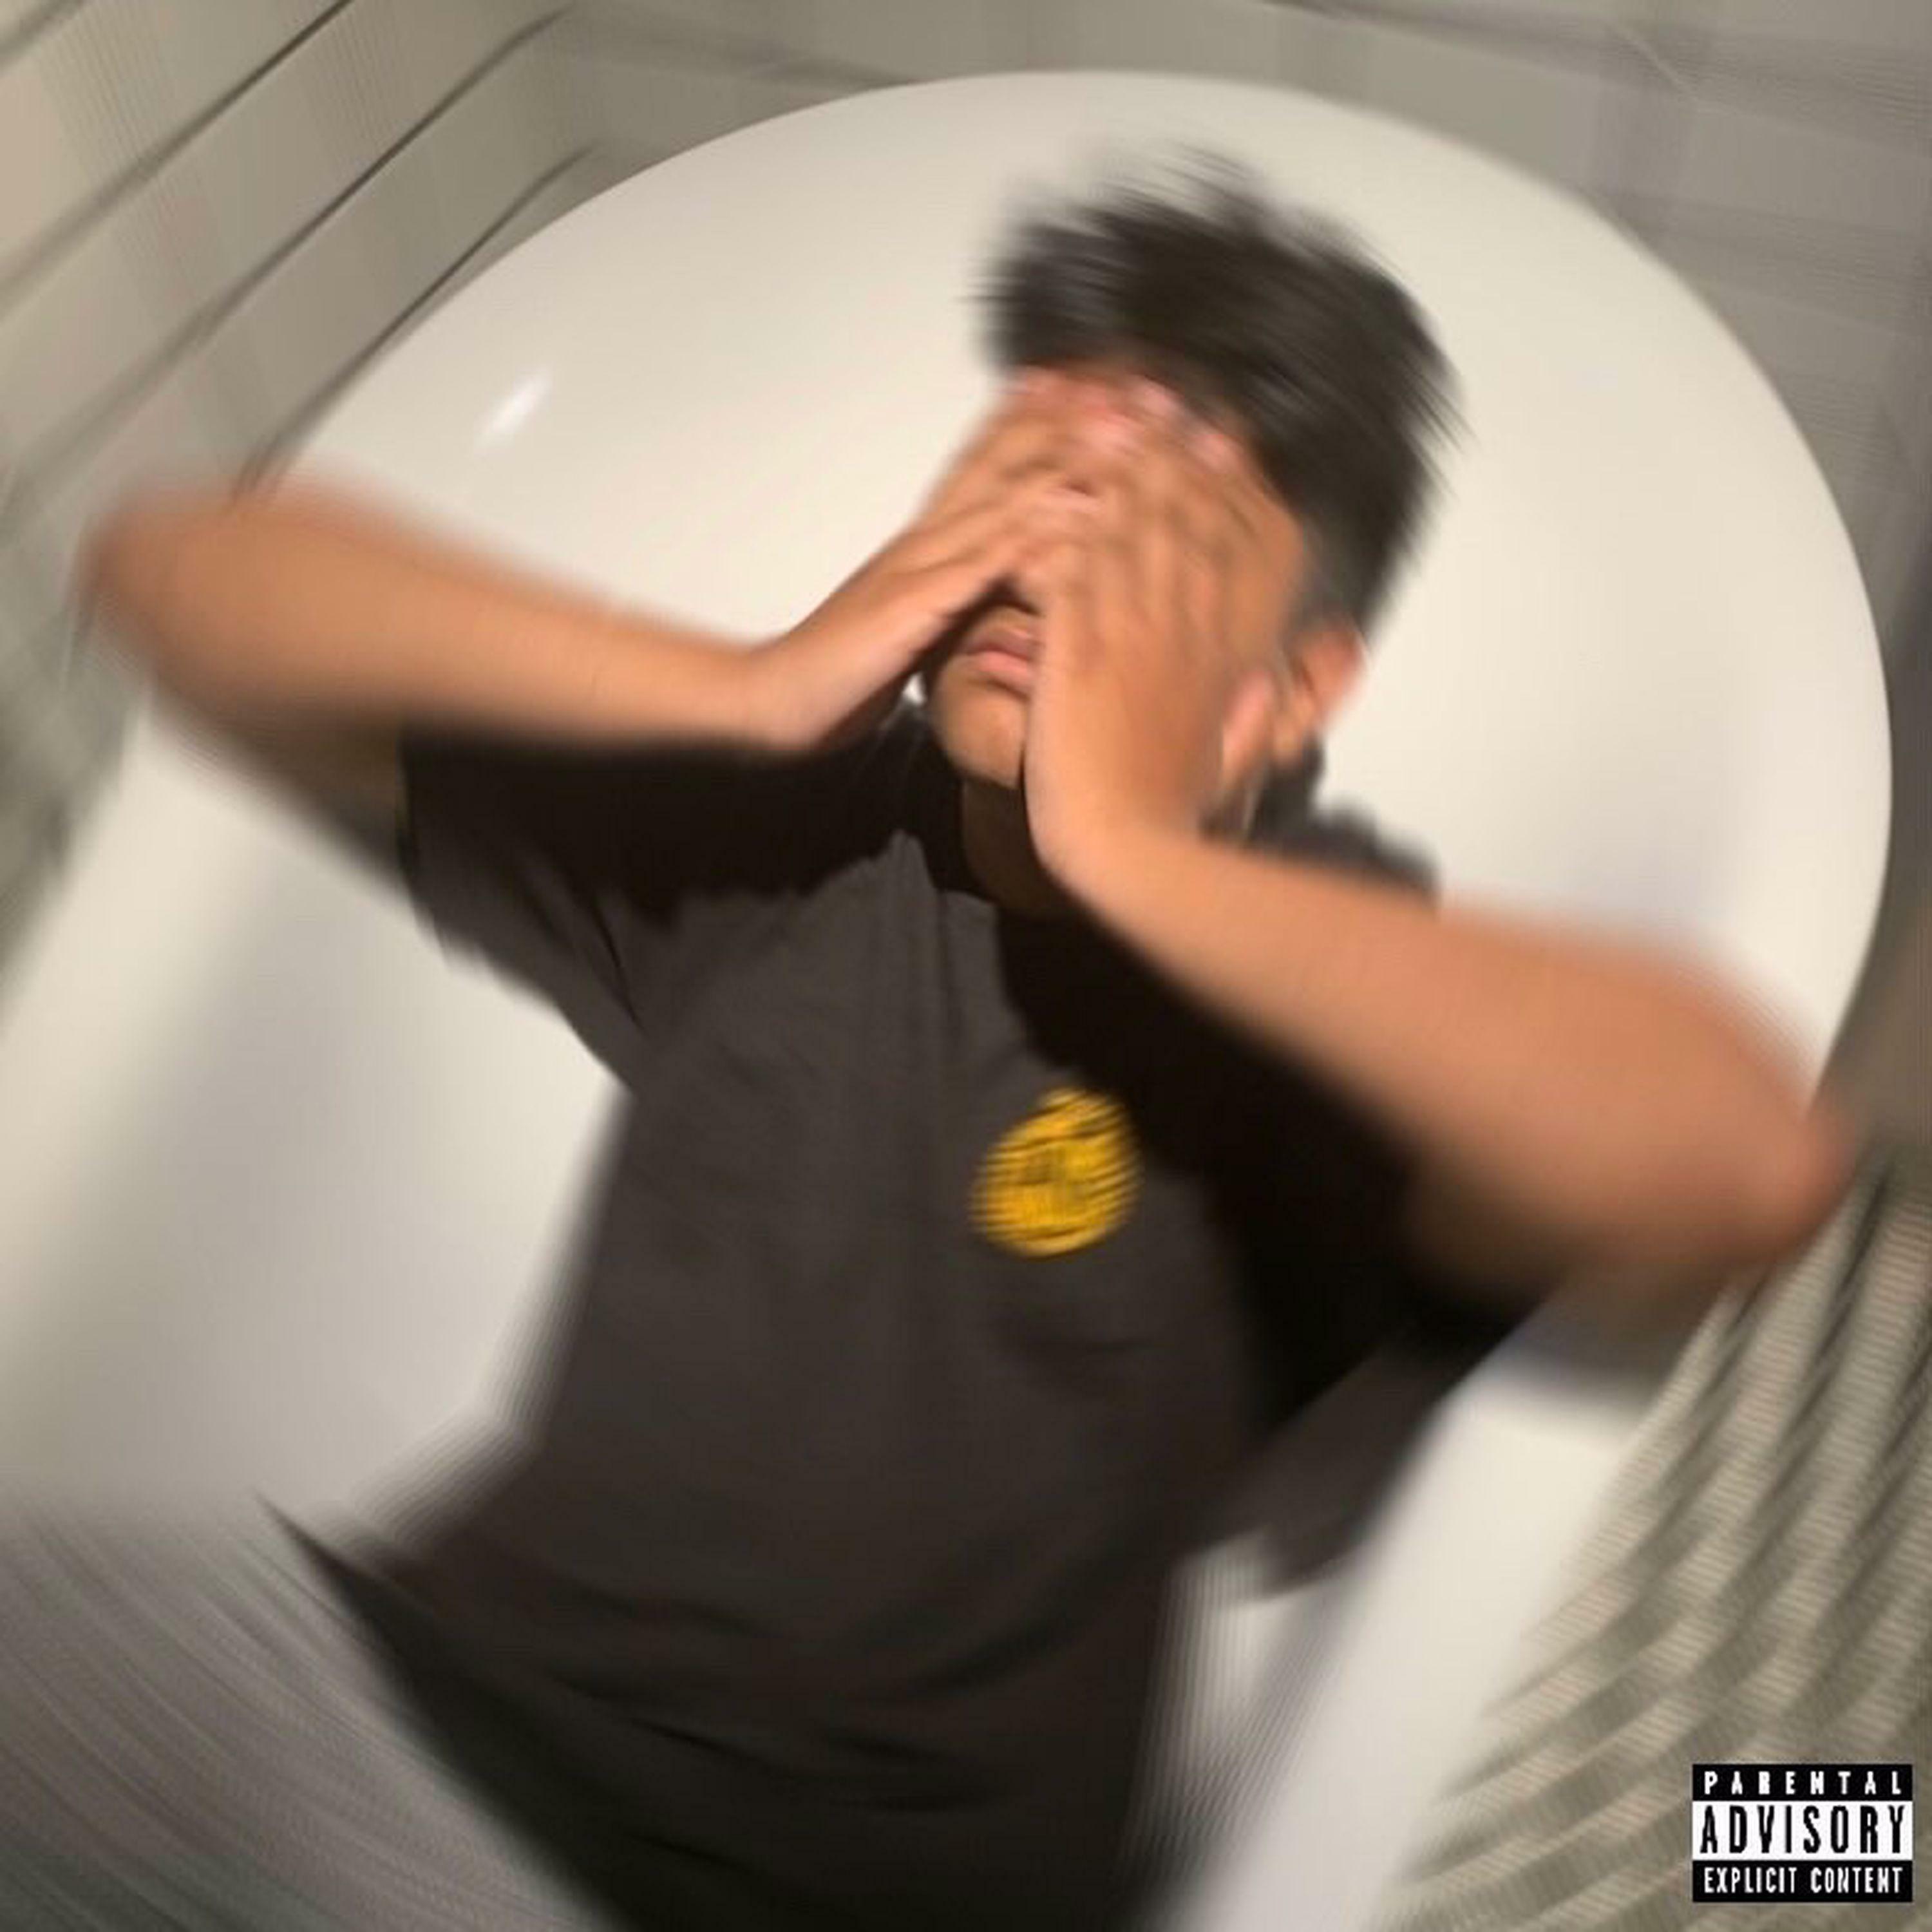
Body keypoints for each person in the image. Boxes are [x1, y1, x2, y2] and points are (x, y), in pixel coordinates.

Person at [8, 162, 1852, 1931]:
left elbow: (1734, 1162)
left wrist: (1123, 844)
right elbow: (174, 572)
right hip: (361, 1683)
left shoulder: (1313, 976)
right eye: (1032, 482)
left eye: (1157, 542)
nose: (1054, 568)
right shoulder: (782, 830)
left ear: (1296, 687)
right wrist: (748, 685)